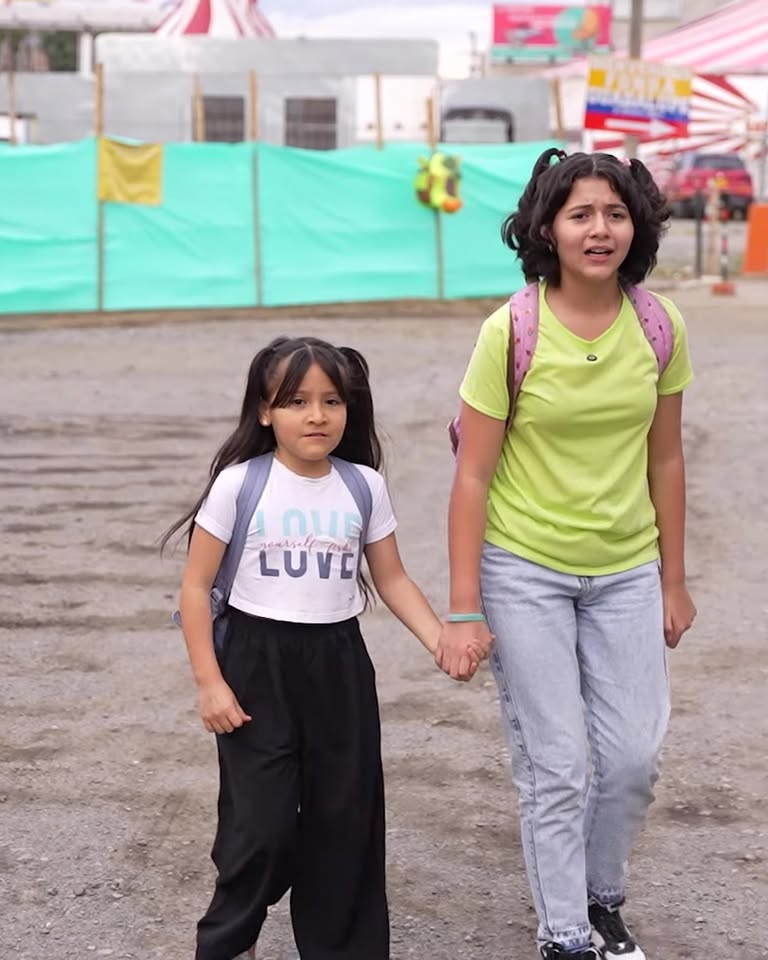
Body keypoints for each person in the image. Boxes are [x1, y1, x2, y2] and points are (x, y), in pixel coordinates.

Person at [436, 149, 696, 960]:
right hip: (524, 570)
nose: (600, 229)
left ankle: (600, 898)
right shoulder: (510, 331)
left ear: (637, 226)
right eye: (580, 214)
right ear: (547, 228)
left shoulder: (659, 326)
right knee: (557, 764)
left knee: (631, 760)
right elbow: (472, 475)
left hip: (627, 570)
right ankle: (564, 936)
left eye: (615, 214)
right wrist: (465, 606)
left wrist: (674, 581)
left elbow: (666, 458)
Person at [163, 336, 486, 960]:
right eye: (297, 401)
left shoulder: (363, 486)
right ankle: (231, 940)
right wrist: (209, 682)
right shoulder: (239, 485)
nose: (317, 415)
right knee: (260, 828)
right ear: (264, 412)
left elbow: (392, 579)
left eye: (332, 401)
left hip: (339, 665)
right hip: (256, 666)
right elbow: (196, 587)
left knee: (344, 820)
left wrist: (440, 640)